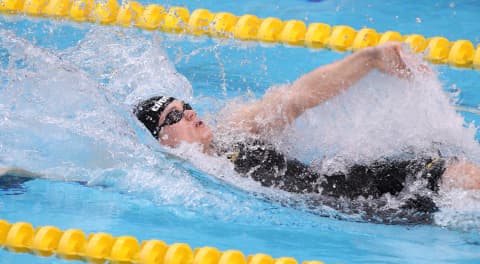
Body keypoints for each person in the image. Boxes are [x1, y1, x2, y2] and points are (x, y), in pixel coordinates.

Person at [133, 42, 480, 224]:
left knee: (456, 173)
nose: (190, 112)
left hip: (360, 185)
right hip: (362, 212)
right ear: (162, 139)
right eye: (174, 115)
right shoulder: (185, 179)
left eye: (185, 105)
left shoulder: (235, 130)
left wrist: (368, 60)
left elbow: (295, 98)